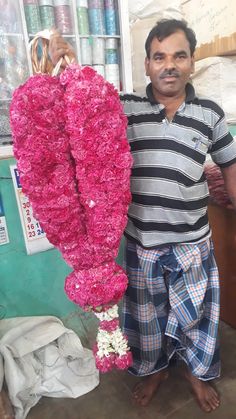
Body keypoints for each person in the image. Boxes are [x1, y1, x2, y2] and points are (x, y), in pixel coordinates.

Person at [49, 19, 236, 413]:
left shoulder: (210, 114)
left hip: (192, 244)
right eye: (159, 56)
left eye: (179, 56)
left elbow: (229, 163)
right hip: (142, 244)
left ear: (191, 62)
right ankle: (155, 371)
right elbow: (86, 105)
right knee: (147, 322)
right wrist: (67, 62)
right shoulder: (124, 108)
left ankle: (196, 374)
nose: (170, 65)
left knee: (197, 318)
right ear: (147, 64)